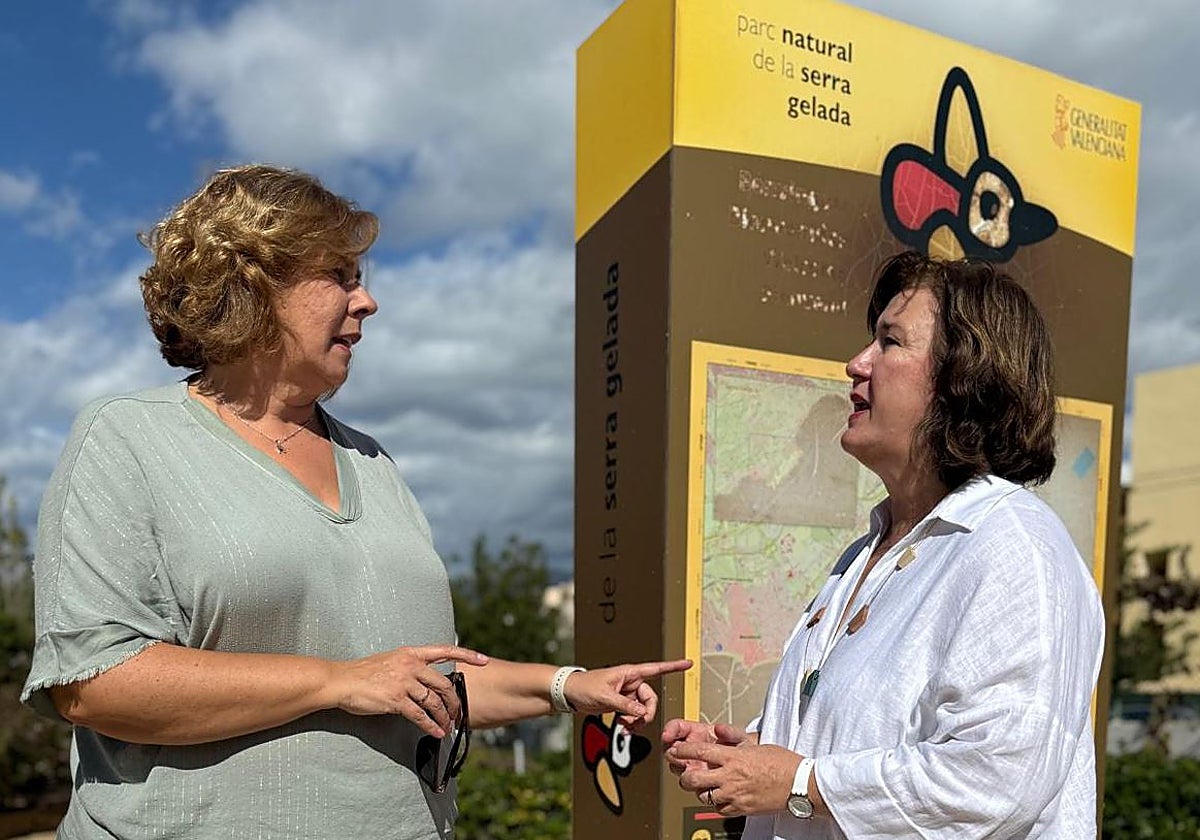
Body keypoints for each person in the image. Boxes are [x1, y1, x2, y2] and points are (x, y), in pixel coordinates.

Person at [21, 164, 690, 840]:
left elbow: (417, 683)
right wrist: (334, 681)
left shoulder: (374, 464)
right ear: (254, 285)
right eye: (339, 276)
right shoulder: (127, 438)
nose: (367, 301)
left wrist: (569, 687)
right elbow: (93, 682)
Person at [663, 251, 1104, 838]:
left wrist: (799, 783)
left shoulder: (1015, 548)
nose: (856, 363)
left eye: (890, 343)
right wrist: (749, 754)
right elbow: (858, 737)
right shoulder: (864, 555)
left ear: (964, 379)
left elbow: (995, 780)